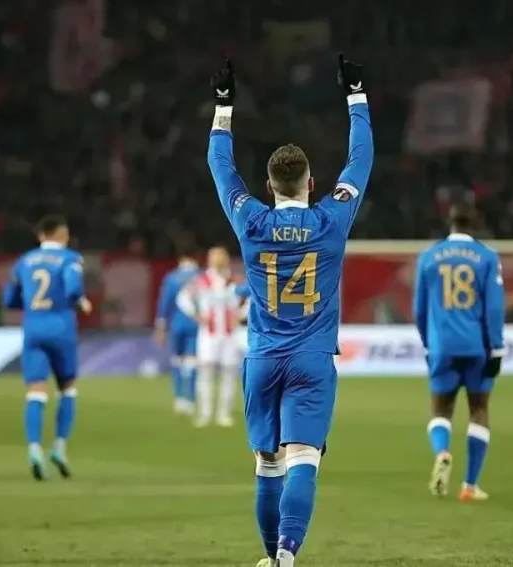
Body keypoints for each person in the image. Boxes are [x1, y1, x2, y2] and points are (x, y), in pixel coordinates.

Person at [207, 54, 373, 567]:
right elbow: (361, 159)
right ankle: (286, 553)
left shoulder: (250, 220)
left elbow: (220, 167)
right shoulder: (331, 220)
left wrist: (223, 105)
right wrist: (356, 94)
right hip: (311, 358)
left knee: (267, 462)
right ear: (312, 182)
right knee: (304, 457)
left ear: (268, 186)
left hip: (262, 357)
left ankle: (269, 556)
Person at [413, 203, 505, 501]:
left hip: (442, 347)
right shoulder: (487, 256)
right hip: (477, 346)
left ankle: (442, 452)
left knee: (440, 411)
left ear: (449, 223)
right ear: (475, 224)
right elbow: (494, 307)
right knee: (479, 410)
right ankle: (469, 485)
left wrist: (428, 343)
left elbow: (419, 310)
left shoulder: (428, 257)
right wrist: (497, 347)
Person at [3, 215, 91, 480]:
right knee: (68, 389)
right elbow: (73, 287)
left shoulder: (24, 261)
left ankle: (34, 449)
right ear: (63, 235)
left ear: (40, 235)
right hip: (61, 328)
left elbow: (9, 299)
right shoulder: (70, 258)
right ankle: (59, 447)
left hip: (33, 329)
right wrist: (81, 301)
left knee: (36, 392)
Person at [176, 246, 240, 427]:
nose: (218, 261)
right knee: (205, 372)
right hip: (208, 334)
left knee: (229, 372)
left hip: (229, 333)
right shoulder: (202, 280)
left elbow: (251, 298)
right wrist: (196, 315)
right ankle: (205, 412)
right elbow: (182, 298)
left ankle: (224, 413)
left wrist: (241, 315)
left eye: (221, 257)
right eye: (215, 257)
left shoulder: (233, 280)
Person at [154, 245, 200, 415]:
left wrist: (160, 327)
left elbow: (164, 303)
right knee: (192, 361)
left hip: (176, 324)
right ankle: (191, 398)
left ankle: (179, 397)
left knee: (177, 360)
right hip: (195, 323)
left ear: (180, 259)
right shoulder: (200, 277)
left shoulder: (172, 277)